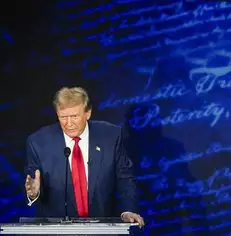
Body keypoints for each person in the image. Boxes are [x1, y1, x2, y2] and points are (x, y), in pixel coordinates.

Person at [24, 87, 145, 226]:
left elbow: (125, 177)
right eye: (63, 117)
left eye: (74, 116)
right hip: (57, 233)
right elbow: (33, 184)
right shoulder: (38, 142)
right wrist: (33, 194)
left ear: (88, 113)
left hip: (103, 228)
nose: (69, 123)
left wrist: (128, 210)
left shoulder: (110, 136)